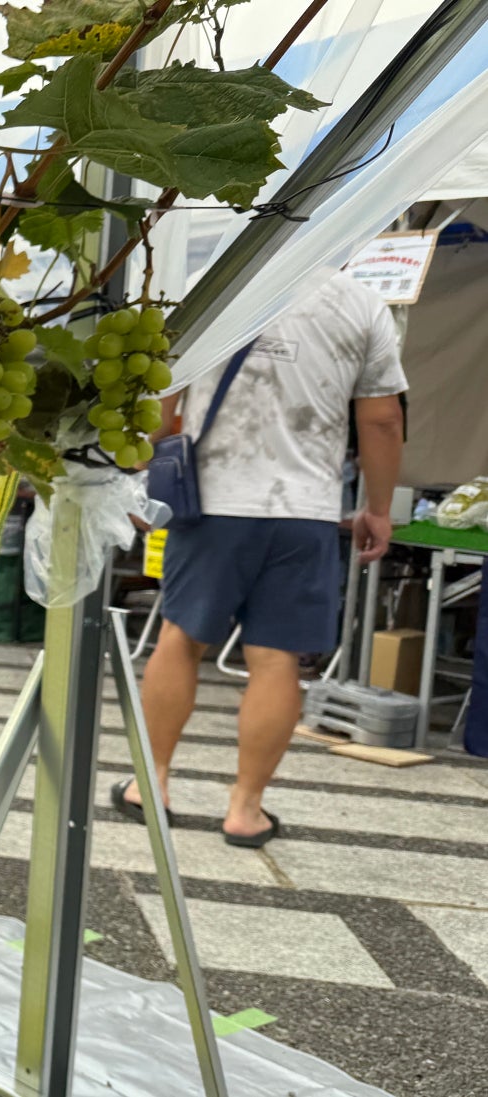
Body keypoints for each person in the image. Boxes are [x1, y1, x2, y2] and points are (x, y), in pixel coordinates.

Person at [126, 269, 407, 846]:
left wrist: (130, 475)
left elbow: (161, 399)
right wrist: (377, 508)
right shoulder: (362, 305)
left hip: (212, 502)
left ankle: (150, 784)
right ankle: (246, 809)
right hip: (305, 511)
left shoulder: (218, 285)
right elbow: (381, 419)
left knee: (180, 637)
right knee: (277, 659)